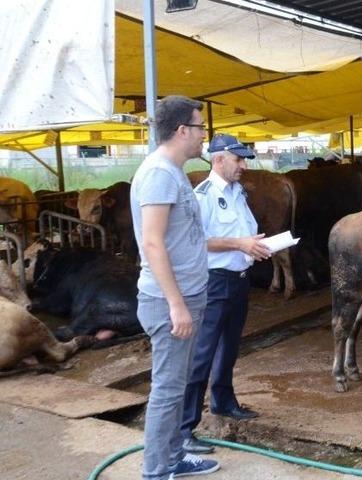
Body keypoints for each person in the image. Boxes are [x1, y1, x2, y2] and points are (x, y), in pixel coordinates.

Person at [130, 95, 219, 479]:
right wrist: (176, 304)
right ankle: (156, 471)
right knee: (167, 390)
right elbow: (152, 242)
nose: (204, 136)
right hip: (170, 301)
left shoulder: (173, 171)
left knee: (176, 384)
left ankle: (172, 457)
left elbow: (185, 236)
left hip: (185, 295)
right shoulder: (159, 174)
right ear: (183, 130)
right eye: (201, 128)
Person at [180, 133, 271, 454]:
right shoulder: (201, 196)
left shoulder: (238, 193)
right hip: (214, 281)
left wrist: (256, 246)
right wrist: (239, 244)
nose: (244, 165)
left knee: (230, 345)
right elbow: (197, 241)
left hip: (239, 278)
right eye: (238, 159)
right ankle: (185, 427)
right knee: (202, 353)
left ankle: (223, 400)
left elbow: (243, 230)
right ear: (219, 159)